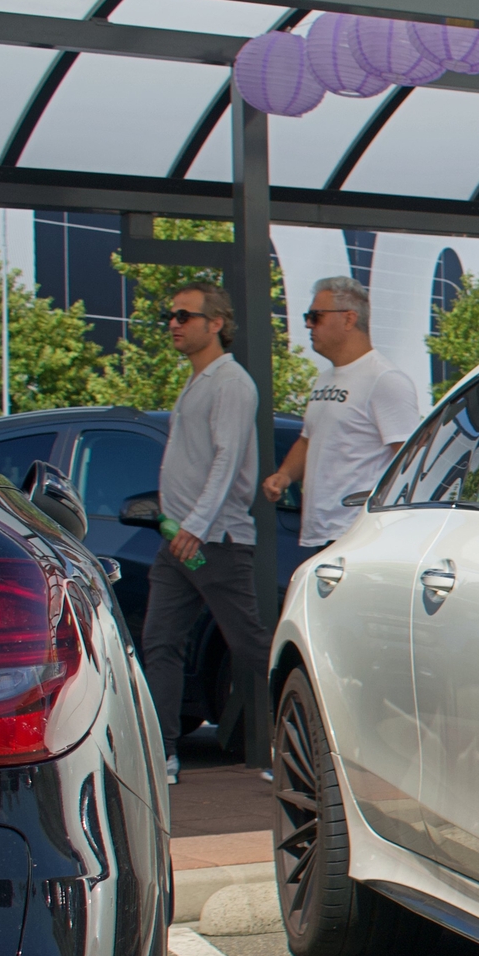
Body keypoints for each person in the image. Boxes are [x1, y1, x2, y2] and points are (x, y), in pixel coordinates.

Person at [140, 282, 271, 785]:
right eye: (170, 315)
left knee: (251, 647)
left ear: (215, 324)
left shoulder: (231, 384)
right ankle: (164, 753)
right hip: (180, 546)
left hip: (214, 542)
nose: (173, 323)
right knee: (160, 643)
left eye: (184, 315)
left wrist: (195, 526)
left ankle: (325, 731)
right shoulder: (197, 382)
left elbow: (227, 459)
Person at [262, 276, 424, 571]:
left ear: (349, 319)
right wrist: (284, 476)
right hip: (320, 533)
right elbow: (308, 440)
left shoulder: (385, 379)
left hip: (357, 536)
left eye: (316, 316)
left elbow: (410, 460)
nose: (309, 325)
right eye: (308, 317)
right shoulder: (324, 379)